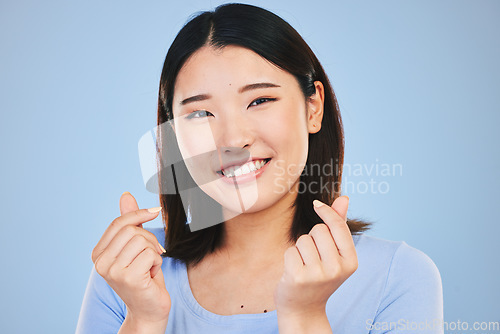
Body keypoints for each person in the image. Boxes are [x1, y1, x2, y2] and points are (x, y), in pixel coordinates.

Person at [76, 3, 443, 333]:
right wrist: (142, 320)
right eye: (200, 113)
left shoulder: (399, 276)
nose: (233, 139)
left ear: (313, 107)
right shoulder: (127, 274)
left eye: (260, 100)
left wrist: (305, 317)